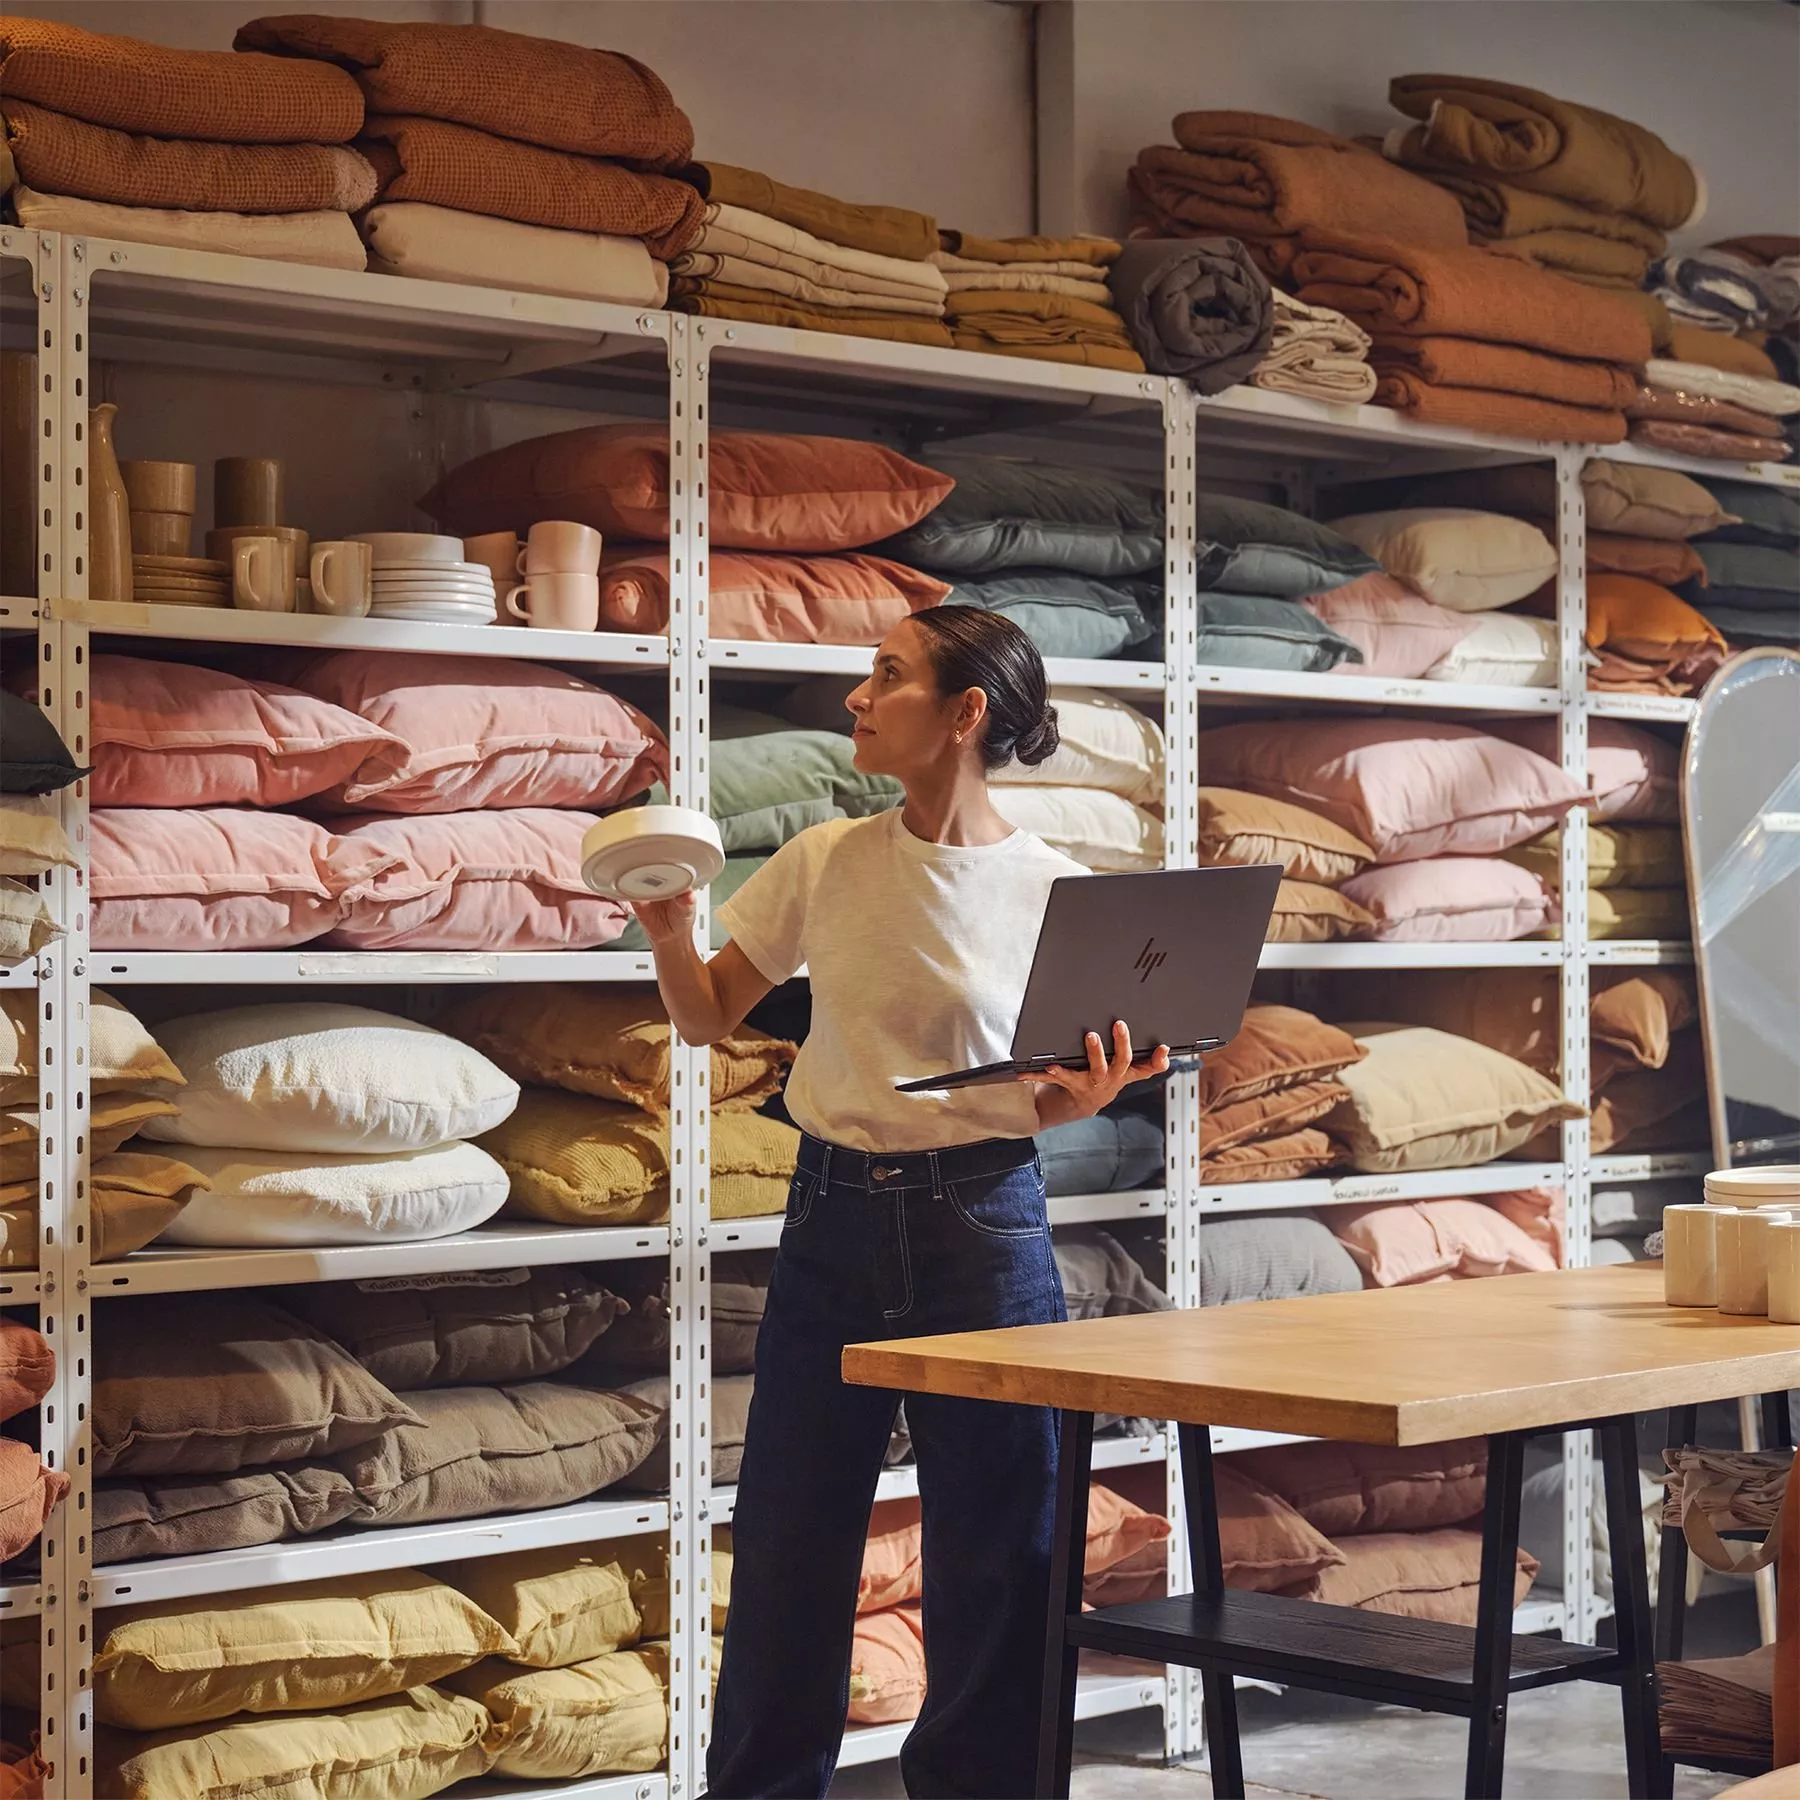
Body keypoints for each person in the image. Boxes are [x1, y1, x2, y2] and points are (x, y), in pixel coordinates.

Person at [630, 606, 1169, 1799]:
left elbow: (1048, 1096)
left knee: (1002, 1555)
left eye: (886, 677)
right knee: (786, 1546)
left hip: (984, 1226)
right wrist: (668, 929)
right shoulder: (827, 859)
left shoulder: (1057, 893)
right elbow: (711, 1013)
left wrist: (1087, 1096)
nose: (856, 699)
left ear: (966, 714)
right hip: (832, 1224)